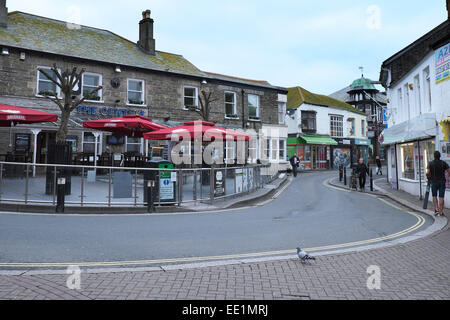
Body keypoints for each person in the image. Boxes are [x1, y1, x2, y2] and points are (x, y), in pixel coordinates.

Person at [426, 151, 450, 216]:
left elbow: (427, 173)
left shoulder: (430, 163)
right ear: (440, 156)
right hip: (442, 182)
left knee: (434, 196)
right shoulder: (444, 163)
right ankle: (441, 212)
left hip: (434, 182)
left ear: (434, 156)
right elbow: (449, 172)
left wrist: (429, 178)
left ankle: (436, 209)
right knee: (441, 197)